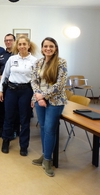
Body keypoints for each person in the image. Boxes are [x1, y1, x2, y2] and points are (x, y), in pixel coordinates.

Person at [31, 37, 67, 177]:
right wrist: (38, 96)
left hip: (55, 101)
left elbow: (60, 85)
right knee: (44, 128)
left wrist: (43, 96)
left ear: (56, 48)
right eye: (45, 46)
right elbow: (33, 81)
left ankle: (47, 160)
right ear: (42, 48)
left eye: (51, 46)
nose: (48, 49)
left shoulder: (61, 62)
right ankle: (44, 154)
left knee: (50, 129)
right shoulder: (38, 62)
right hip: (40, 100)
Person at [0, 35, 37, 156]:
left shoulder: (34, 61)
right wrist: (0, 90)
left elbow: (36, 80)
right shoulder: (12, 59)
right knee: (8, 117)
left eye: (24, 44)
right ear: (17, 46)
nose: (22, 46)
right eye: (20, 44)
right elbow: (5, 75)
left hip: (26, 91)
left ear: (29, 45)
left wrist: (34, 96)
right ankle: (6, 140)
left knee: (24, 119)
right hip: (11, 90)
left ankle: (24, 146)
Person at [0, 33, 16, 138]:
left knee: (13, 109)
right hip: (2, 86)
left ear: (14, 41)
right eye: (6, 40)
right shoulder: (1, 54)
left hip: (15, 87)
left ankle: (14, 130)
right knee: (0, 108)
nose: (8, 42)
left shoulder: (18, 55)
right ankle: (2, 129)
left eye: (10, 40)